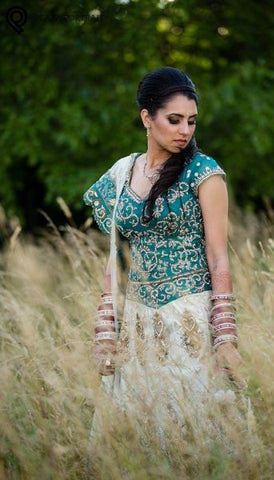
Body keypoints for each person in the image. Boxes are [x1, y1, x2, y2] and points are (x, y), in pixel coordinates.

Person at [83, 67, 242, 429]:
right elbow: (113, 257)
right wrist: (105, 332)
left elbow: (219, 257)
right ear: (147, 118)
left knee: (195, 428)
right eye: (174, 120)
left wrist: (225, 336)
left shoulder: (204, 173)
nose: (185, 131)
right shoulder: (122, 174)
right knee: (137, 432)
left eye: (191, 121)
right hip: (138, 324)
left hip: (189, 321)